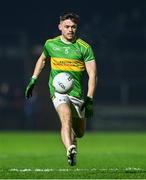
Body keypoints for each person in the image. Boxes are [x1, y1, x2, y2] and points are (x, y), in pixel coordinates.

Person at [25, 12, 97, 166]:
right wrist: (33, 79)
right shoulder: (51, 44)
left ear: (76, 28)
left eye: (73, 27)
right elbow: (42, 59)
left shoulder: (84, 48)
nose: (70, 30)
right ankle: (70, 148)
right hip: (58, 92)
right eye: (67, 26)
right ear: (60, 27)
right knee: (65, 119)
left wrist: (89, 98)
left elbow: (93, 75)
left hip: (77, 94)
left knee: (79, 132)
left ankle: (73, 143)